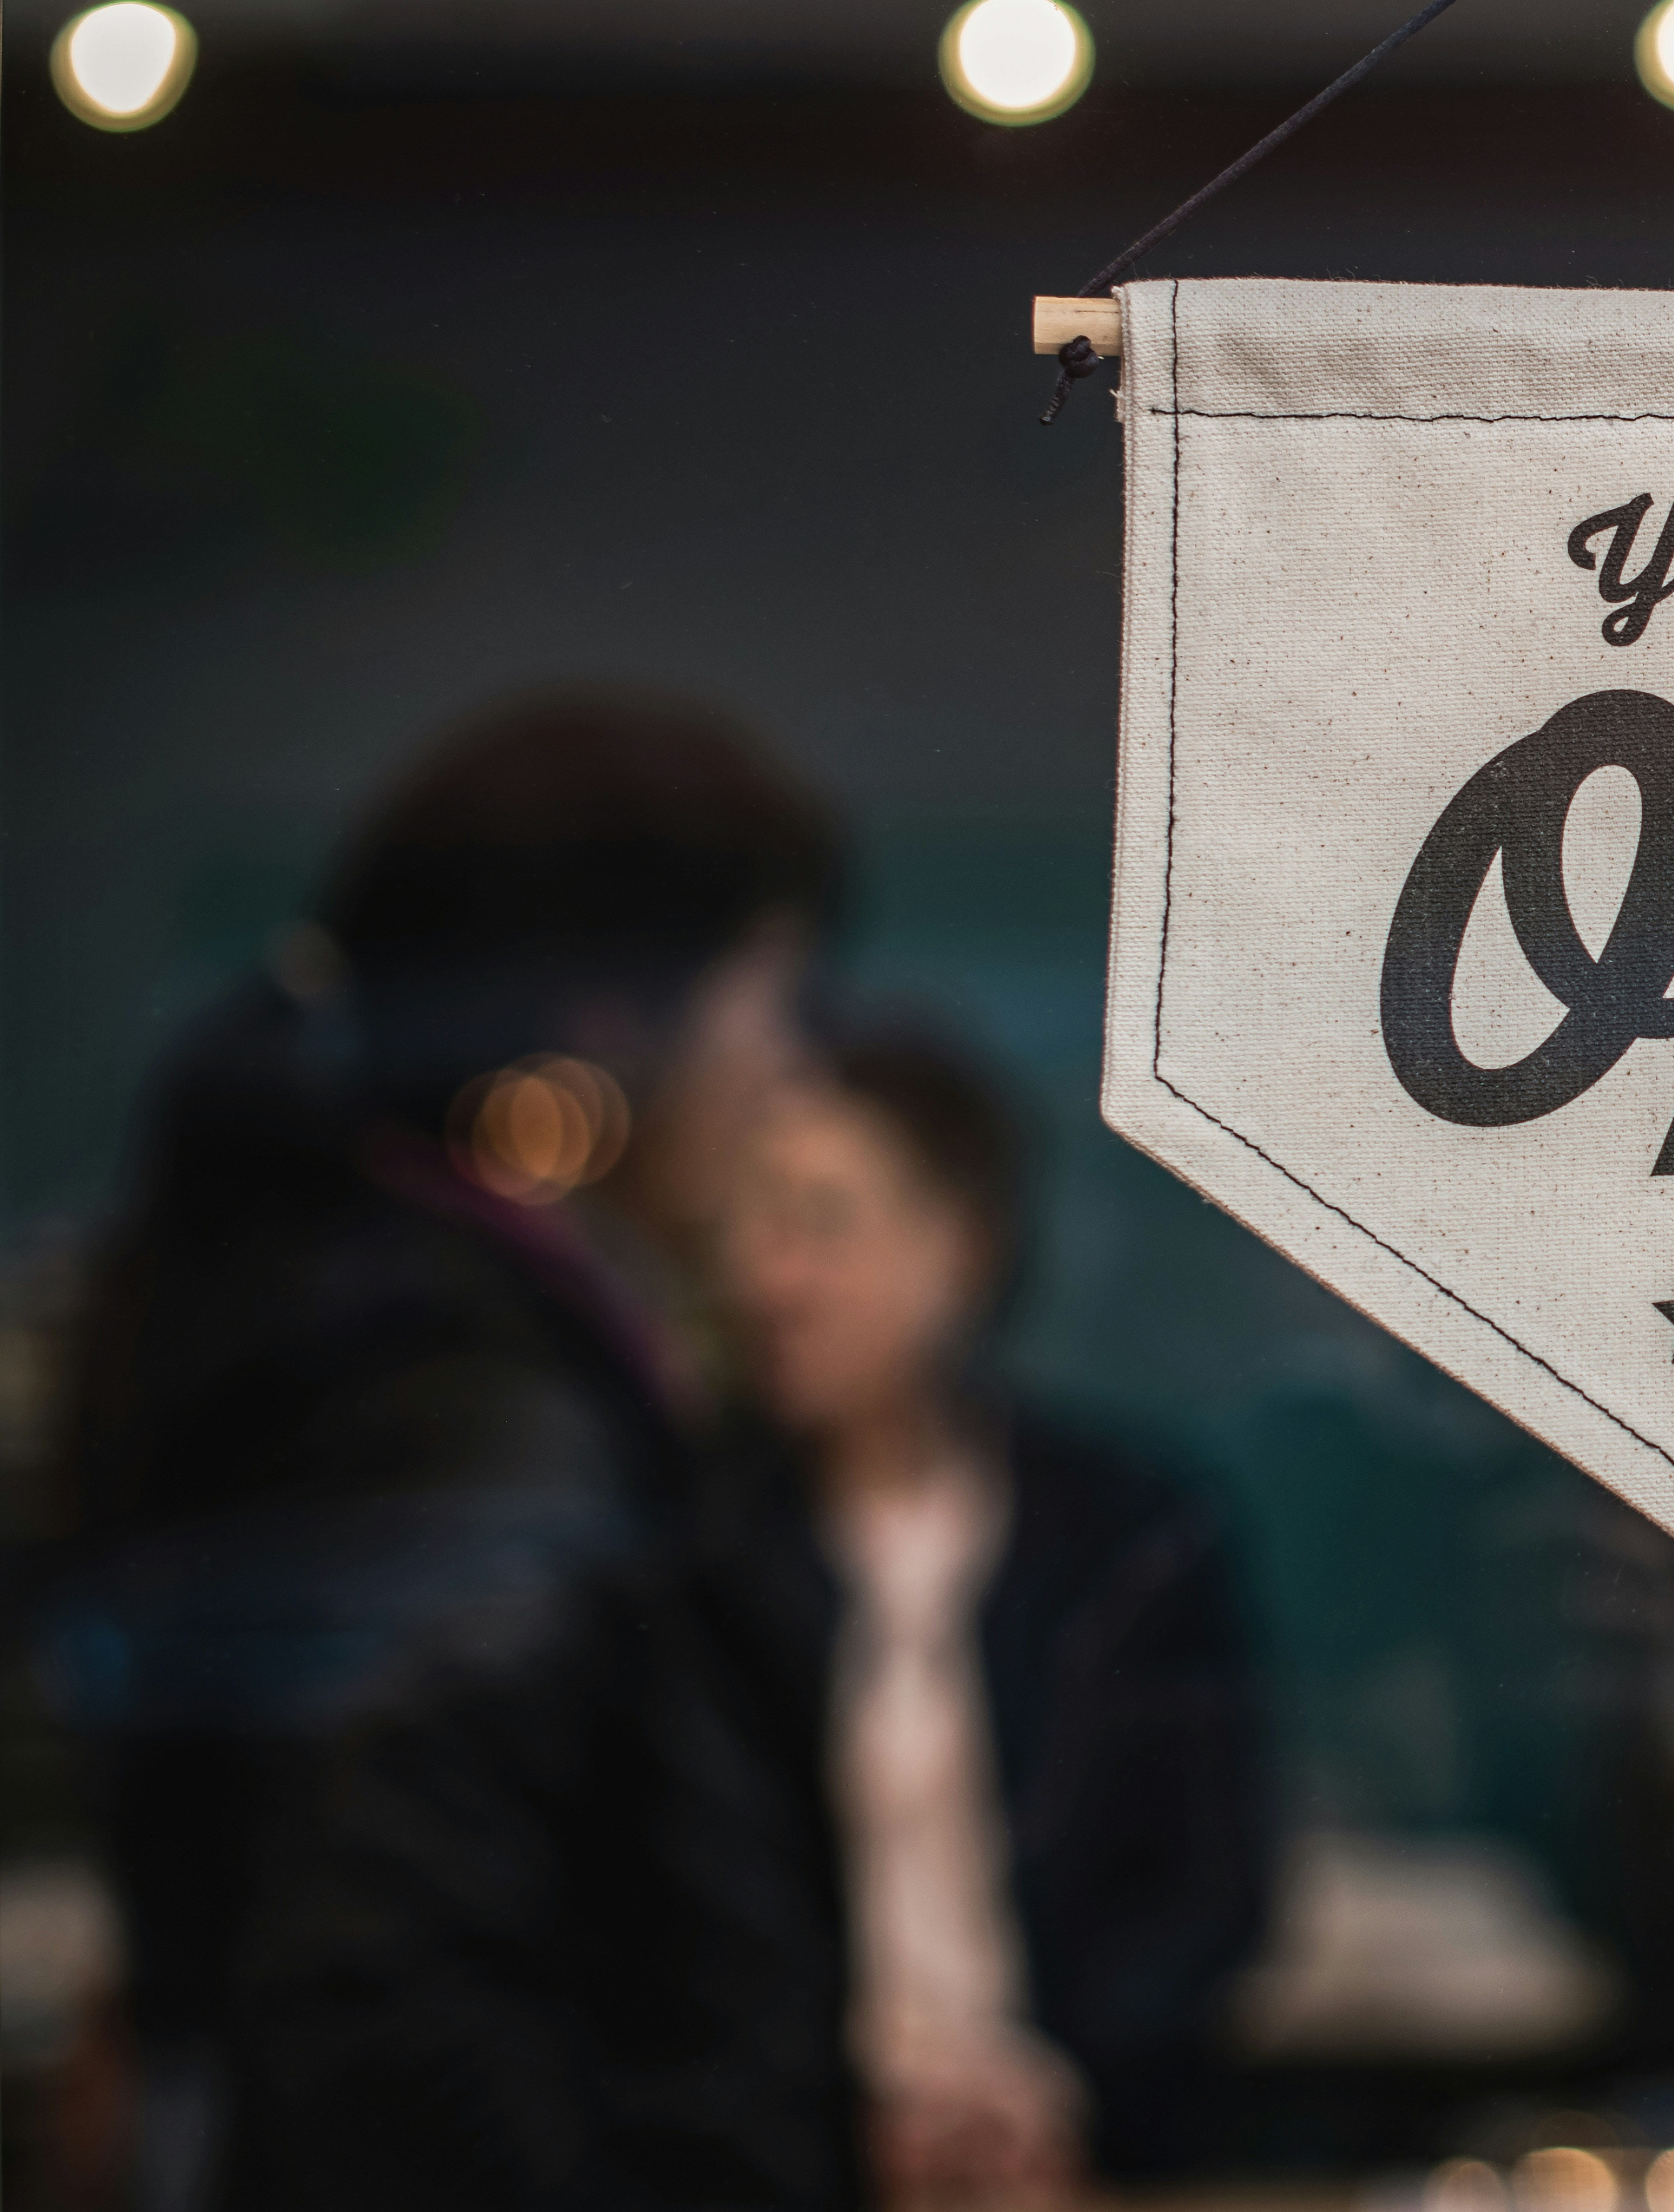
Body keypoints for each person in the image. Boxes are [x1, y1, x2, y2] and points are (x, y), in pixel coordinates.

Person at [48, 689, 842, 2209]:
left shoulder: (351, 1323)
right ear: (618, 1030)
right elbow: (396, 1997)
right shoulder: (461, 1414)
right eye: (772, 1004)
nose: (793, 1077)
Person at [711, 1025, 1272, 2201]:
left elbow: (1210, 1887)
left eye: (820, 1223)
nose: (770, 1278)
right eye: (749, 1228)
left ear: (957, 1246)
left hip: (1076, 2156)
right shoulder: (693, 1543)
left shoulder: (1131, 1536)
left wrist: (1052, 2085)